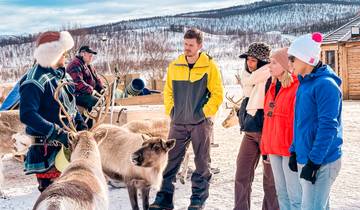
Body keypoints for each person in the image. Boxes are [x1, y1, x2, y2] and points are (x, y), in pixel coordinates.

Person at [149, 28, 224, 210]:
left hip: (200, 123)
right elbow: (167, 92)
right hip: (178, 122)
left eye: (191, 45)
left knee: (202, 162)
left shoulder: (209, 66)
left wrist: (203, 113)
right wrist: (172, 110)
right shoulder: (175, 66)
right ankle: (163, 200)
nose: (187, 48)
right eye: (185, 44)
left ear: (200, 45)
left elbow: (218, 94)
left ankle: (197, 200)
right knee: (170, 160)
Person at [19, 31, 87, 192]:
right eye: (63, 53)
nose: (66, 56)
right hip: (46, 149)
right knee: (54, 196)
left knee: (71, 194)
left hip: (67, 145)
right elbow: (27, 114)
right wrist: (55, 132)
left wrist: (80, 122)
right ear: (52, 54)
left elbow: (70, 104)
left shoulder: (64, 76)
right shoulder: (34, 81)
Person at [287, 32, 342, 210]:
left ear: (306, 59)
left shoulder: (325, 85)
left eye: (292, 58)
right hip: (308, 156)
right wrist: (295, 150)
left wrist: (314, 163)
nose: (290, 63)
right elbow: (300, 122)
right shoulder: (305, 83)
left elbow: (328, 127)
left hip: (322, 161)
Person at [235, 42, 279, 210]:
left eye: (253, 60)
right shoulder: (250, 79)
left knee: (270, 181)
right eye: (248, 59)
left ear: (262, 62)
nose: (249, 63)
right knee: (242, 175)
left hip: (266, 133)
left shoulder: (270, 78)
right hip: (249, 132)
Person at [260, 48, 301, 210]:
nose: (269, 66)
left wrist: (295, 150)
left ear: (285, 65)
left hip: (289, 150)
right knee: (281, 194)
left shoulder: (296, 87)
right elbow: (267, 120)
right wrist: (265, 148)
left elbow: (297, 122)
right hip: (273, 148)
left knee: (295, 196)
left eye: (274, 62)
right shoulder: (271, 87)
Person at [66, 45, 104, 127]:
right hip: (76, 95)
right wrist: (92, 91)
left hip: (85, 93)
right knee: (95, 101)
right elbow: (77, 82)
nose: (91, 57)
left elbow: (96, 79)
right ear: (82, 54)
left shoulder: (88, 65)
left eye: (92, 55)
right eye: (89, 55)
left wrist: (101, 89)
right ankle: (87, 127)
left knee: (105, 99)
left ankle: (94, 124)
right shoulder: (75, 64)